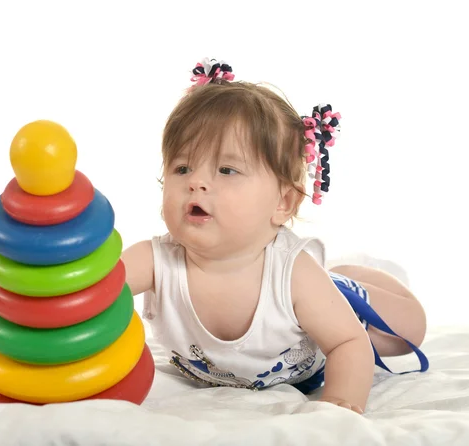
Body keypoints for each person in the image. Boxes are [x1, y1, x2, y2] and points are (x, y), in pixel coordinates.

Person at [121, 58, 428, 415]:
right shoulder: (154, 261)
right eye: (182, 167)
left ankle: (351, 278)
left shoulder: (293, 273)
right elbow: (92, 294)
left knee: (408, 330)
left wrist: (340, 403)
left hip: (315, 339)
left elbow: (348, 342)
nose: (196, 182)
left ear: (282, 202)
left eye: (226, 169)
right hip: (295, 319)